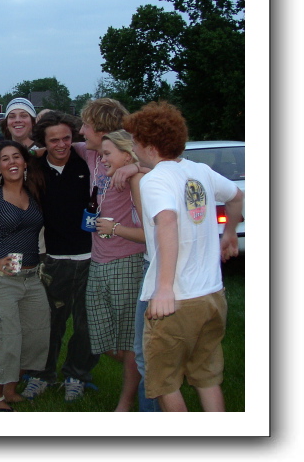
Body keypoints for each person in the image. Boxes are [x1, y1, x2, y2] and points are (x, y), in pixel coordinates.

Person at [124, 101, 243, 412]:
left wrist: (164, 288)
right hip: (212, 295)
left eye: (135, 141)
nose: (132, 146)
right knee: (207, 378)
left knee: (165, 382)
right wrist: (230, 233)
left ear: (150, 147)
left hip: (177, 299)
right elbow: (237, 197)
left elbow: (167, 221)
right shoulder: (200, 171)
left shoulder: (155, 180)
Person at [19, 111, 100, 402]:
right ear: (43, 141)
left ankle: (76, 375)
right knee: (49, 322)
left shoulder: (87, 162)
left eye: (66, 138)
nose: (62, 144)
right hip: (52, 258)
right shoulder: (34, 168)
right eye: (54, 140)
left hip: (91, 256)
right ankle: (42, 374)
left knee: (87, 324)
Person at [73, 98, 146, 412]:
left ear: (102, 128)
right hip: (99, 258)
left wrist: (136, 166)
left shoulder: (130, 162)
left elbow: (167, 166)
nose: (81, 130)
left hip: (128, 259)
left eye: (86, 125)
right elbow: (56, 144)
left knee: (129, 339)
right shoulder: (91, 153)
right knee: (102, 336)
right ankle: (150, 360)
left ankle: (125, 405)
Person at [0, 140, 50, 411]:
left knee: (34, 336)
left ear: (25, 162)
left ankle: (11, 388)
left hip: (30, 278)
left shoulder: (34, 194)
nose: (12, 162)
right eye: (4, 159)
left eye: (16, 156)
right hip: (1, 281)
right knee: (4, 339)